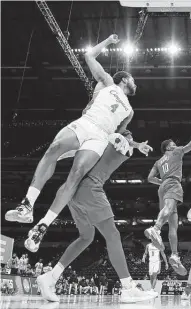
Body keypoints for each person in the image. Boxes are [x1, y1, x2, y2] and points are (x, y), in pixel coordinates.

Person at [5, 34, 152, 229]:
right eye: (133, 80)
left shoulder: (130, 111)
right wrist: (108, 41)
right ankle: (27, 206)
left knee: (76, 173)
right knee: (54, 148)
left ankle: (43, 226)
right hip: (86, 123)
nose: (136, 84)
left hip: (100, 137)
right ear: (124, 80)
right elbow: (89, 56)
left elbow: (120, 133)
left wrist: (136, 144)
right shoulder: (108, 82)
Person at [34, 131, 156, 303]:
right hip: (91, 188)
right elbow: (116, 137)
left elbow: (117, 139)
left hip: (73, 191)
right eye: (129, 135)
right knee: (113, 235)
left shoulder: (100, 144)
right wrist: (131, 142)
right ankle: (128, 288)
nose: (130, 139)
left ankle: (51, 277)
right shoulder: (117, 140)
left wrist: (135, 144)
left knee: (86, 237)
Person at [145, 120, 191, 275]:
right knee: (169, 214)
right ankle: (156, 229)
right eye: (172, 143)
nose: (175, 144)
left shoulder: (158, 161)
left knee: (174, 224)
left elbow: (149, 178)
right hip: (173, 183)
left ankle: (174, 254)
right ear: (168, 147)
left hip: (162, 187)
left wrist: (162, 181)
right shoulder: (176, 151)